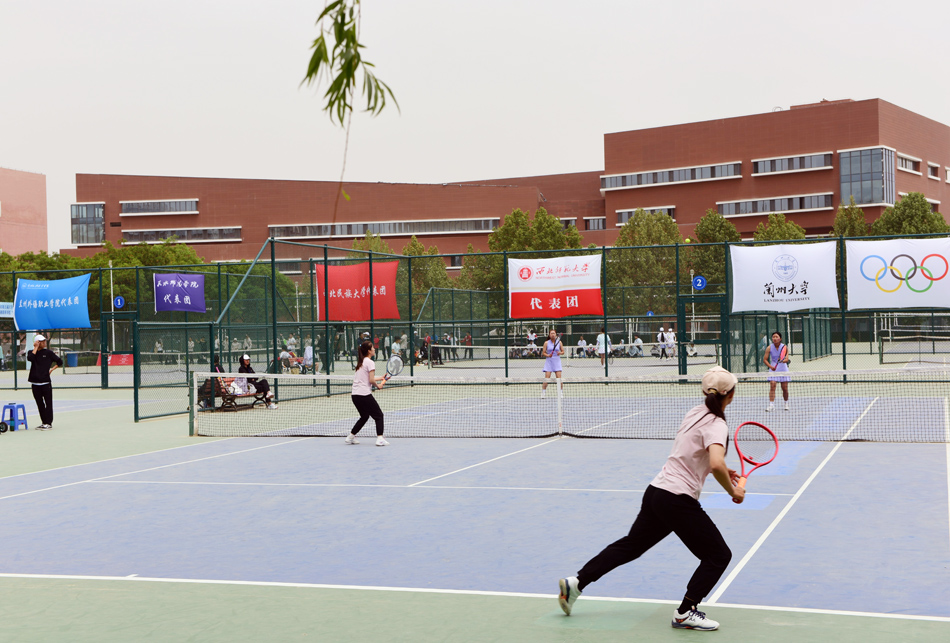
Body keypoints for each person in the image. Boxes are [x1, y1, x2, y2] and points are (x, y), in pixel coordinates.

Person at [557, 366, 744, 631]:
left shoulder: (695, 412)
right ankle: (685, 612)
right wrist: (733, 491)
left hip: (657, 492)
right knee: (719, 555)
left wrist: (723, 469)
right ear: (731, 394)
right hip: (677, 500)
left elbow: (701, 456)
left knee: (631, 545)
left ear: (705, 392)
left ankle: (576, 583)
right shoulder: (717, 424)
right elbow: (714, 462)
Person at [345, 340, 389, 447]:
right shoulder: (370, 362)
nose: (374, 349)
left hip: (355, 395)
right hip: (364, 394)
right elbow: (371, 380)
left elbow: (368, 378)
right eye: (372, 348)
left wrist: (381, 378)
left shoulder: (361, 362)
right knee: (379, 415)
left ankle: (351, 436)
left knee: (364, 416)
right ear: (369, 351)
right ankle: (380, 439)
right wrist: (378, 385)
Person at [27, 334, 63, 430]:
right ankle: (44, 422)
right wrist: (35, 347)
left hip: (46, 383)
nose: (44, 342)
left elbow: (60, 361)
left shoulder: (48, 353)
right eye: (41, 341)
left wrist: (52, 369)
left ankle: (49, 423)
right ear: (37, 342)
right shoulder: (31, 352)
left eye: (44, 341)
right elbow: (30, 358)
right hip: (35, 383)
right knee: (40, 404)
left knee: (48, 403)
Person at [764, 331, 790, 412]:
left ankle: (786, 403)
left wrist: (782, 360)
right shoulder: (769, 348)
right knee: (772, 385)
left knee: (784, 388)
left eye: (776, 337)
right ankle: (771, 405)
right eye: (773, 337)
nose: (774, 338)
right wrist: (771, 367)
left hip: (783, 369)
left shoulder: (784, 347)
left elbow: (786, 359)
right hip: (773, 369)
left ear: (780, 338)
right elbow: (765, 359)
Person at [541, 329, 565, 398]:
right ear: (549, 335)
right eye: (551, 333)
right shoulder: (546, 343)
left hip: (557, 361)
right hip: (549, 362)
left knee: (559, 378)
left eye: (554, 333)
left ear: (556, 334)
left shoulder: (559, 342)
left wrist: (560, 353)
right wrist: (548, 355)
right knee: (547, 378)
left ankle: (560, 393)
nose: (552, 335)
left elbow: (563, 351)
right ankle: (543, 392)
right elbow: (543, 353)